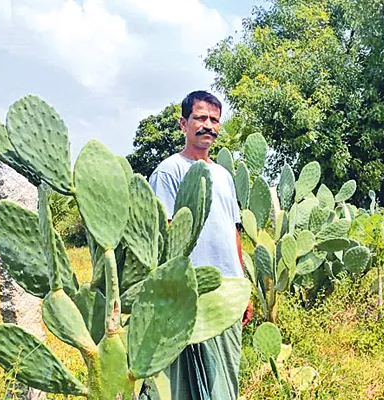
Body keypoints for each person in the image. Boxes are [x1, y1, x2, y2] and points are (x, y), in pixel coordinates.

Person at [148, 90, 253, 399]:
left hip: (227, 292)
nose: (208, 125)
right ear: (184, 124)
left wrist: (243, 287)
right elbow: (166, 234)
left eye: (214, 120)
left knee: (226, 380)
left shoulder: (224, 175)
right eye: (201, 118)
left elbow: (233, 232)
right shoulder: (169, 171)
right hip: (191, 295)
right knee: (186, 385)